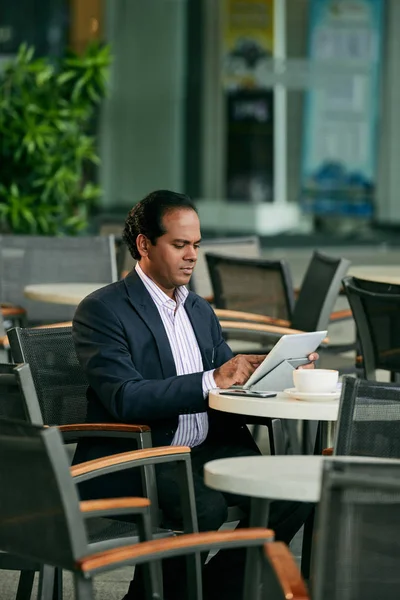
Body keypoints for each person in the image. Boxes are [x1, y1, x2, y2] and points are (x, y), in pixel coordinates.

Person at [72, 190, 317, 600]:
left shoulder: (198, 310)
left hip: (208, 446)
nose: (191, 256)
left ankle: (210, 591)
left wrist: (273, 374)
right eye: (179, 244)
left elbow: (227, 379)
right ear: (144, 245)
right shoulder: (103, 310)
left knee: (296, 488)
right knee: (204, 506)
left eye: (196, 245)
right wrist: (213, 380)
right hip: (142, 453)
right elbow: (125, 398)